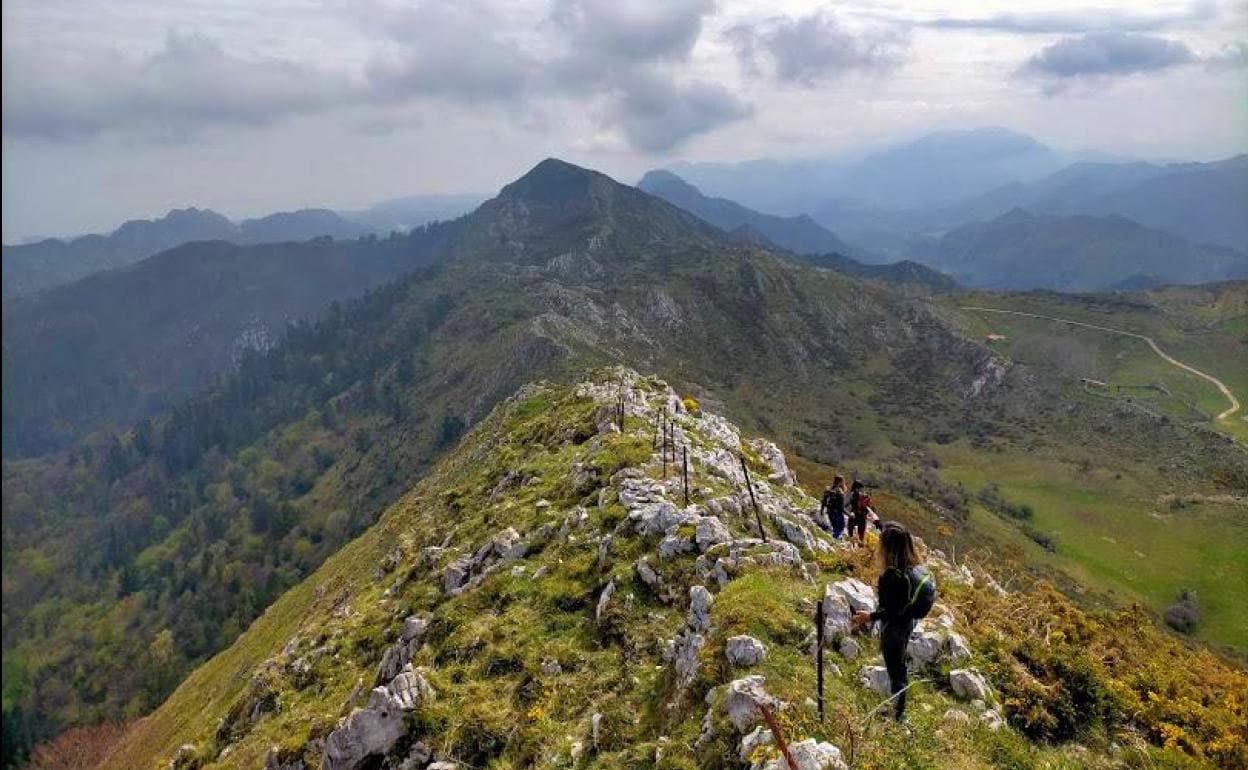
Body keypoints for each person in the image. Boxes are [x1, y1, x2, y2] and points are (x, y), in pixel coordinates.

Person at [851, 521, 930, 723]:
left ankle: (898, 715)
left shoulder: (891, 575)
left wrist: (869, 617)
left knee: (896, 669)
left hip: (896, 626)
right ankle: (897, 708)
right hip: (909, 620)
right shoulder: (915, 566)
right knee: (898, 665)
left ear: (887, 547)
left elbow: (889, 610)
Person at [848, 480, 873, 545]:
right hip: (861, 516)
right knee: (861, 534)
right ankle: (860, 546)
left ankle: (852, 545)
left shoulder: (852, 494)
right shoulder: (861, 495)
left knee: (851, 532)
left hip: (853, 514)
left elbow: (848, 504)